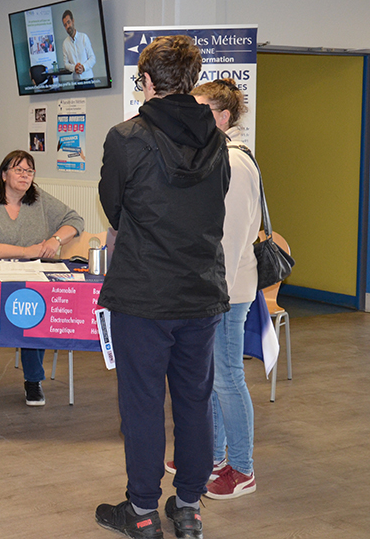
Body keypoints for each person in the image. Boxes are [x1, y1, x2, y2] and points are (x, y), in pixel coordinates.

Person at [96, 35, 230, 539]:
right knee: (195, 399)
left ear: (148, 81)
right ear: (192, 81)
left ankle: (143, 510)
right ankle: (190, 507)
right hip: (200, 293)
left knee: (143, 403)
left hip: (143, 295)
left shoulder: (126, 136)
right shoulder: (218, 140)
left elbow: (113, 208)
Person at [0, 150, 83, 406]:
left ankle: (33, 380)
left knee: (33, 310)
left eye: (29, 171)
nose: (25, 176)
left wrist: (54, 240)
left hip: (28, 274)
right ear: (4, 175)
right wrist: (26, 251)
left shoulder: (39, 201)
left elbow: (75, 219)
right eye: (18, 170)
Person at [189, 78, 261, 499]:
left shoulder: (233, 162)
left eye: (201, 110)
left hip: (227, 291)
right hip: (216, 287)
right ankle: (214, 456)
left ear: (223, 116)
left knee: (228, 377)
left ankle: (242, 467)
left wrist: (215, 296)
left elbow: (231, 239)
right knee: (212, 376)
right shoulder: (216, 156)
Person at [61, 9, 96, 83]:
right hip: (76, 82)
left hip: (88, 80)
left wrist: (83, 67)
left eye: (68, 22)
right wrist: (74, 68)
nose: (68, 26)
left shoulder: (84, 37)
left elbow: (92, 58)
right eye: (65, 25)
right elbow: (66, 64)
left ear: (73, 21)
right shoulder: (65, 43)